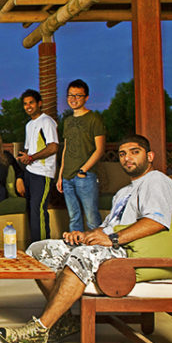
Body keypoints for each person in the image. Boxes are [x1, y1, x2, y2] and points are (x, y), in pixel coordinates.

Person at [0, 135, 172, 343]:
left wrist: (111, 239)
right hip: (114, 245)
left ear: (149, 156)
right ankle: (63, 321)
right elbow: (108, 227)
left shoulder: (157, 181)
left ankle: (40, 328)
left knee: (82, 255)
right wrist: (86, 236)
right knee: (39, 250)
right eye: (122, 154)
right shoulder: (124, 192)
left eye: (134, 152)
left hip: (134, 254)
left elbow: (156, 221)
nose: (127, 158)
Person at [57, 79, 106, 232]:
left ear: (86, 97)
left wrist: (83, 170)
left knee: (92, 218)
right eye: (70, 95)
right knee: (74, 218)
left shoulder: (94, 119)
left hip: (85, 176)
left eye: (78, 95)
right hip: (67, 177)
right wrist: (60, 175)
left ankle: (98, 251)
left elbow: (100, 149)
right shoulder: (68, 121)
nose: (73, 99)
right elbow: (66, 149)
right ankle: (75, 252)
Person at [16, 89, 59, 244]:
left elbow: (53, 147)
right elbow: (29, 149)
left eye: (31, 103)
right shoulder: (29, 125)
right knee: (32, 211)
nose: (28, 106)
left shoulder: (47, 121)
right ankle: (34, 247)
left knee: (38, 211)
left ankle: (41, 249)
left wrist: (32, 157)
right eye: (25, 104)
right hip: (30, 172)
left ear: (39, 103)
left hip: (43, 173)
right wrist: (24, 157)